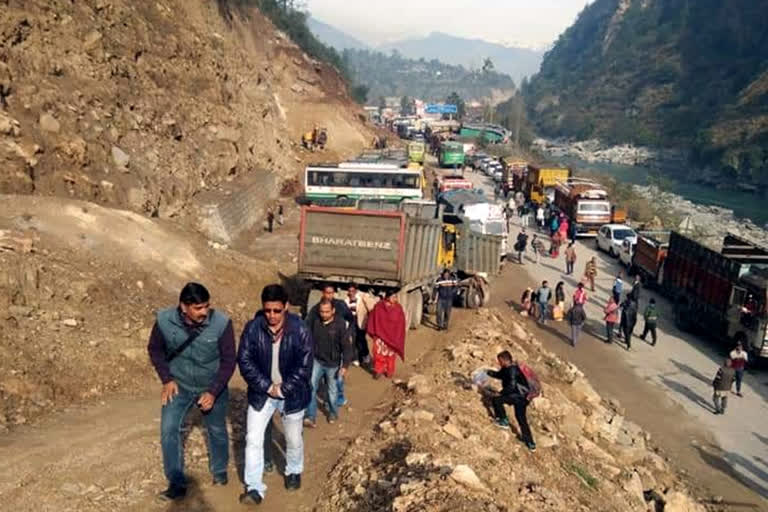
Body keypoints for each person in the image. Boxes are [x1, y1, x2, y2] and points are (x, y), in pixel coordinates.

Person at [147, 283, 236, 502]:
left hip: (212, 384)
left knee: (216, 429)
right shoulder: (164, 320)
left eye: (206, 306)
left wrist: (214, 392)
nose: (204, 312)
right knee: (169, 429)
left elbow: (228, 360)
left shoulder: (222, 323)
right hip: (180, 384)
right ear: (183, 307)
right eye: (198, 308)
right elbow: (154, 349)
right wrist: (166, 379)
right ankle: (176, 482)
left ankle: (219, 472)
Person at [237, 284, 313, 504]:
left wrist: (284, 388)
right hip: (262, 394)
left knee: (293, 439)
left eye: (276, 311)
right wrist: (267, 386)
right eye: (267, 310)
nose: (271, 315)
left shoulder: (300, 330)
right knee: (253, 439)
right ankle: (254, 487)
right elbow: (244, 360)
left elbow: (305, 366)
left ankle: (293, 470)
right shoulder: (253, 329)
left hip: (292, 395)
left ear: (286, 307)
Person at [304, 299, 355, 427]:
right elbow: (306, 338)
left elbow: (347, 347)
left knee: (332, 392)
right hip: (317, 361)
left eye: (327, 311)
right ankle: (311, 416)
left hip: (333, 364)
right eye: (322, 311)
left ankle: (332, 412)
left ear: (333, 311)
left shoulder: (340, 325)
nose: (324, 314)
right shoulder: (315, 322)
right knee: (311, 387)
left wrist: (344, 367)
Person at [488, 350, 536, 451]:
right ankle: (530, 443)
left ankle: (503, 420)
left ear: (505, 360)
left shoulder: (512, 370)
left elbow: (511, 386)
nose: (499, 363)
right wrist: (489, 373)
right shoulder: (507, 368)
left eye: (500, 361)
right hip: (522, 397)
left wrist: (501, 393)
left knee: (497, 400)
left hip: (519, 397)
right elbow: (500, 375)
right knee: (521, 419)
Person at [366, 290, 406, 379]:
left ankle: (389, 371)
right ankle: (378, 370)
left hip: (393, 337)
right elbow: (373, 317)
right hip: (380, 336)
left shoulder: (398, 308)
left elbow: (401, 323)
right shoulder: (379, 306)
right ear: (388, 297)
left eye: (396, 297)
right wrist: (375, 331)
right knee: (378, 353)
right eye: (393, 297)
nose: (395, 299)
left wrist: (398, 336)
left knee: (391, 355)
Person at [344, 284, 376, 367]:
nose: (351, 293)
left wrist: (365, 297)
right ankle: (356, 358)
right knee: (352, 339)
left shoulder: (362, 298)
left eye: (353, 291)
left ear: (356, 291)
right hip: (351, 321)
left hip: (361, 321)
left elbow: (371, 307)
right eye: (350, 291)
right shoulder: (346, 300)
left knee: (361, 339)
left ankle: (365, 355)